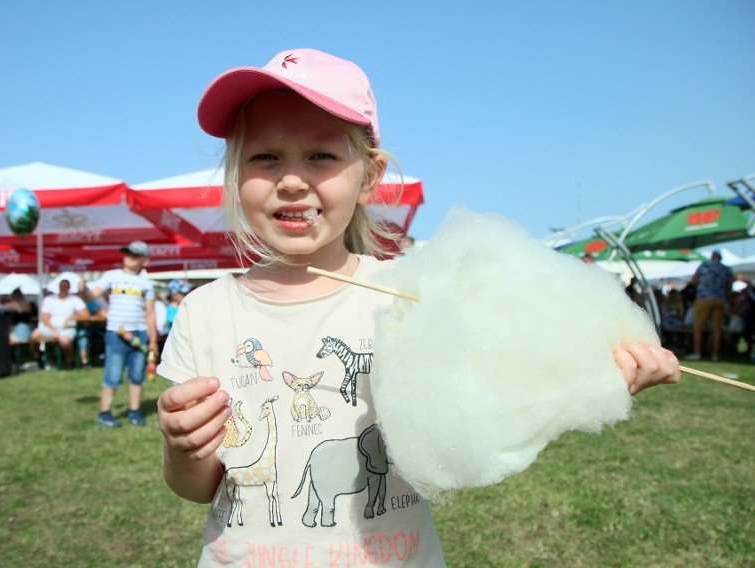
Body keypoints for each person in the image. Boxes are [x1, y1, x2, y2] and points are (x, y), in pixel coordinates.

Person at [154, 48, 681, 566]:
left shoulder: (409, 295)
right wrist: (184, 451)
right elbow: (198, 488)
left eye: (321, 156)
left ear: (369, 177)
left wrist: (597, 368)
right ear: (236, 174)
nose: (291, 179)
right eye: (264, 157)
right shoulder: (205, 313)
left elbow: (506, 384)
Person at [80, 241, 158, 428]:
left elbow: (150, 313)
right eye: (127, 253)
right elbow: (92, 296)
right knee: (113, 375)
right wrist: (83, 290)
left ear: (145, 261)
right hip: (116, 333)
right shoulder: (111, 276)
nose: (129, 257)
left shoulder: (146, 284)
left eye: (135, 255)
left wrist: (153, 341)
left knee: (137, 375)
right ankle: (104, 413)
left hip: (139, 333)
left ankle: (135, 411)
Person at [686, 250, 734, 361]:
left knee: (698, 327)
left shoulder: (704, 265)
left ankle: (697, 353)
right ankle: (715, 355)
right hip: (719, 299)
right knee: (717, 328)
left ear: (712, 256)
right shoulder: (726, 269)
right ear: (720, 258)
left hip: (704, 298)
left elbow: (694, 280)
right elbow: (729, 286)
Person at [30, 279, 88, 368]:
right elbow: (45, 318)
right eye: (62, 286)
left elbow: (85, 314)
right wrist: (53, 330)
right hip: (50, 328)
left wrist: (71, 318)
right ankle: (37, 357)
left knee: (65, 341)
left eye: (66, 286)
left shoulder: (75, 299)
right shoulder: (49, 299)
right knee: (34, 336)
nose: (64, 288)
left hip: (67, 329)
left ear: (69, 287)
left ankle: (69, 360)